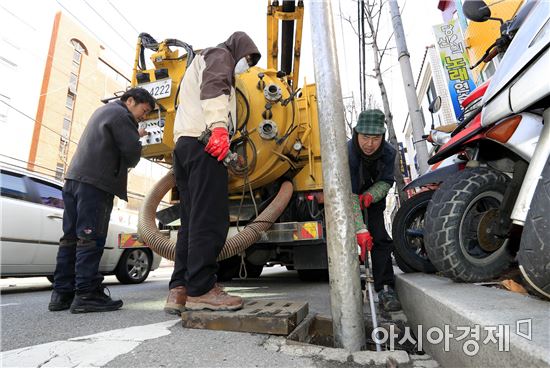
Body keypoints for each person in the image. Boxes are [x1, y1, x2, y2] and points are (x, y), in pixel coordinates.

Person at [164, 32, 261, 315]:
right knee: (211, 220)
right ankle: (202, 290)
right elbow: (215, 87)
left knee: (191, 223)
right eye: (246, 60)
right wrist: (220, 126)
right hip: (205, 145)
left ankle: (180, 289)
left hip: (184, 146)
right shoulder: (221, 55)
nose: (244, 67)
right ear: (239, 50)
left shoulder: (198, 62)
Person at [48, 88, 155, 313]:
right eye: (143, 111)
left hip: (74, 180)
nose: (142, 117)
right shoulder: (123, 116)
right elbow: (132, 154)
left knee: (70, 238)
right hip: (95, 184)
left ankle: (61, 294)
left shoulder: (104, 111)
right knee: (90, 238)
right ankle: (87, 294)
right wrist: (138, 136)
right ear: (131, 100)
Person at [348, 109, 402, 312]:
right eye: (365, 137)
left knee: (379, 237)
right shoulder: (348, 152)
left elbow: (387, 181)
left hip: (374, 197)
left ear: (383, 136)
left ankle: (386, 288)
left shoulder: (388, 152)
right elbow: (349, 193)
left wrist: (371, 195)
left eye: (375, 138)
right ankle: (350, 287)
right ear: (357, 134)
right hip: (348, 196)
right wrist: (360, 229)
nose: (369, 144)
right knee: (348, 239)